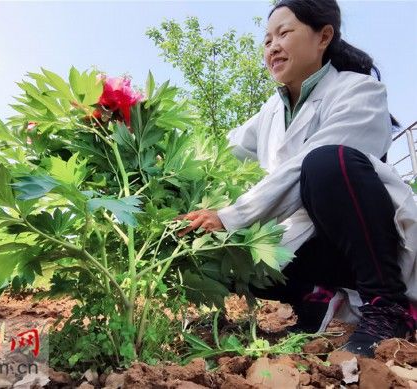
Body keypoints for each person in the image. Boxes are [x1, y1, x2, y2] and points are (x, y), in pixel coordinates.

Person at [177, 0, 417, 357]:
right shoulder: (270, 112)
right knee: (220, 242)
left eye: (284, 33)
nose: (272, 46)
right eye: (267, 39)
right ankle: (314, 299)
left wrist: (230, 216)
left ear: (323, 37)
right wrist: (163, 151)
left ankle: (387, 306)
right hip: (310, 246)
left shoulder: (359, 92)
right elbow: (218, 154)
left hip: (362, 243)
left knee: (326, 163)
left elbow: (304, 166)